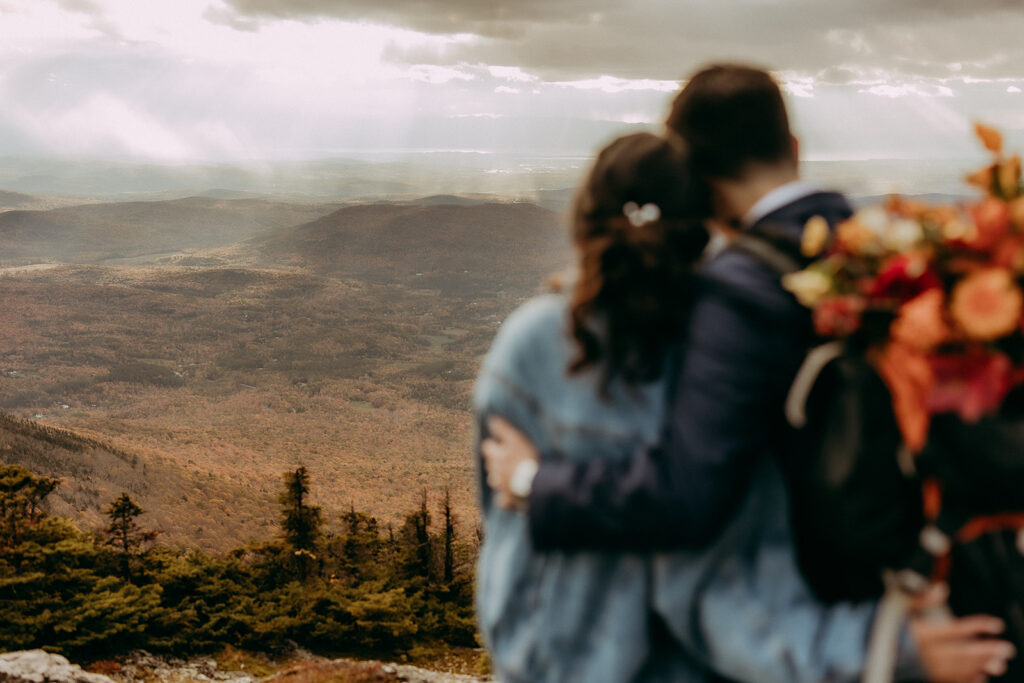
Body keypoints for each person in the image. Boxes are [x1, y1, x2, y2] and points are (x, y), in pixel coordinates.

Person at [480, 64, 1015, 682]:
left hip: (839, 610)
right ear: (793, 148)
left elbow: (689, 495)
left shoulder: (730, 294)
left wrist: (533, 480)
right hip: (943, 563)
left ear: (694, 177)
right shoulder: (883, 253)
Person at [475, 131, 712, 682]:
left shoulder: (531, 344)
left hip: (552, 657)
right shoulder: (722, 356)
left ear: (583, 219)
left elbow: (503, 524)